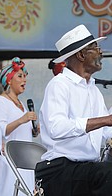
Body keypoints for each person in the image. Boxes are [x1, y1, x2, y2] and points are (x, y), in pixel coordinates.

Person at [35, 24, 112, 196]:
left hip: (86, 171)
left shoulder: (93, 90)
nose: (101, 52)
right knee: (108, 173)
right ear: (81, 54)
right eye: (95, 47)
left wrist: (107, 123)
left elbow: (106, 131)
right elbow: (57, 128)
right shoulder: (59, 85)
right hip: (59, 170)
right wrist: (106, 120)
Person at [0, 57, 38, 196]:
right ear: (9, 80)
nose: (24, 80)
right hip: (11, 162)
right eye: (20, 76)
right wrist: (22, 119)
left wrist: (33, 130)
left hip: (26, 161)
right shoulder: (1, 101)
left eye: (25, 76)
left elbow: (22, 128)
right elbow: (1, 129)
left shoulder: (21, 103)